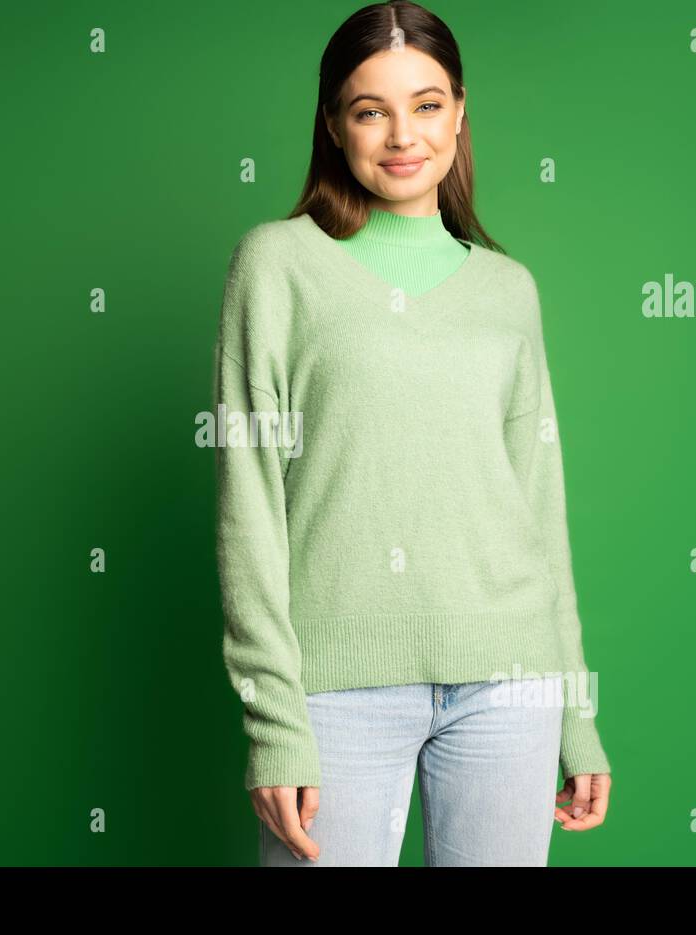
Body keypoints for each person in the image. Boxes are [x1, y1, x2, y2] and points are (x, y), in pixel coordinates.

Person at [213, 0, 613, 866]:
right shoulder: (277, 265)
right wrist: (276, 726)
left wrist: (575, 713)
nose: (403, 134)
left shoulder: (509, 290)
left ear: (460, 113)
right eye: (371, 109)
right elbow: (248, 510)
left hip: (511, 685)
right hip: (335, 693)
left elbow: (539, 513)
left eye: (427, 104)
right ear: (333, 124)